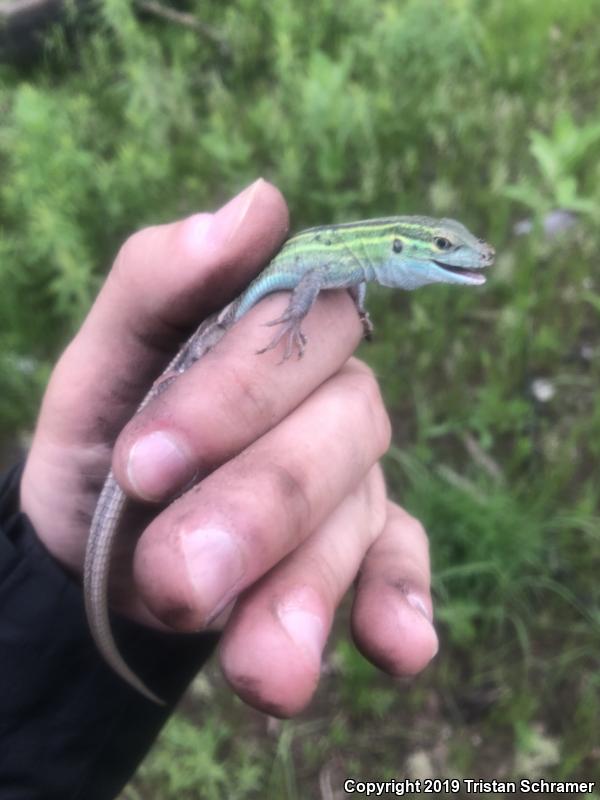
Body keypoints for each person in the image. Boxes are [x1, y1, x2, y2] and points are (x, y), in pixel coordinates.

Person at [1, 180, 438, 799]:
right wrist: (294, 317)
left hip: (57, 618)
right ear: (399, 245)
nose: (461, 255)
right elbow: (312, 275)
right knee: (226, 357)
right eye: (444, 246)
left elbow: (337, 279)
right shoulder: (350, 251)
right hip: (225, 322)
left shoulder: (360, 260)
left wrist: (352, 310)